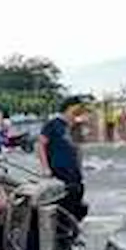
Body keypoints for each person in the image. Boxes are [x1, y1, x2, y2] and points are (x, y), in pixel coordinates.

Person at [38, 96, 89, 237]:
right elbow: (41, 145)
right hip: (58, 170)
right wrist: (45, 168)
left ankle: (70, 230)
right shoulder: (53, 124)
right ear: (68, 108)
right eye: (76, 109)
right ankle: (60, 232)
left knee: (77, 198)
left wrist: (80, 166)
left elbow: (77, 148)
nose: (79, 113)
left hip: (74, 171)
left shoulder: (74, 127)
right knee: (62, 203)